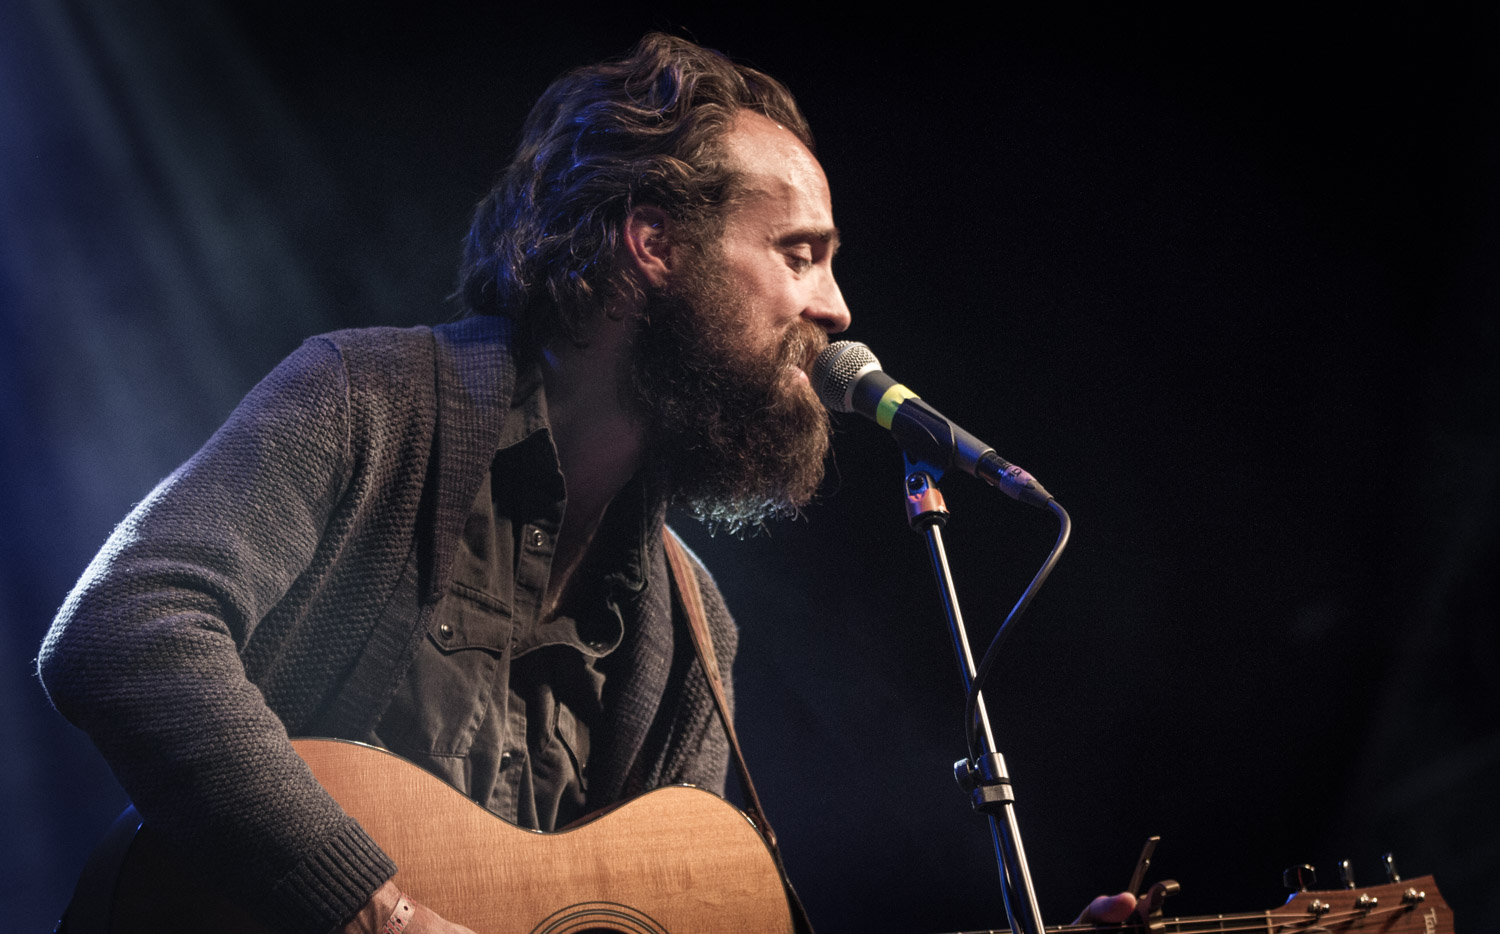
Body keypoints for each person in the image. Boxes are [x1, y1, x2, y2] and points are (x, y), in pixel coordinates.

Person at [39, 33, 1135, 934]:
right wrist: (376, 908)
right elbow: (124, 629)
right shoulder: (368, 400)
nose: (838, 306)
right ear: (653, 240)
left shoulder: (690, 618)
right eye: (801, 252)